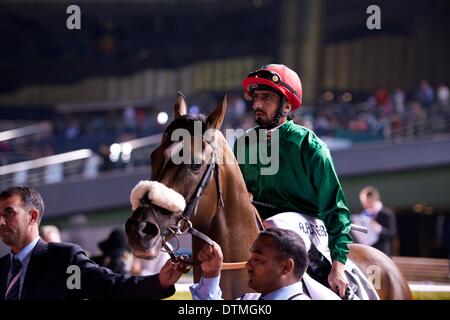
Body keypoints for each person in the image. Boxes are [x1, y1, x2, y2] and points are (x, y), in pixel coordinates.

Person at [233, 64, 353, 297]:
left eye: (266, 97)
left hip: (309, 228)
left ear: (286, 105)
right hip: (259, 231)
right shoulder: (243, 144)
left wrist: (338, 265)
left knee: (275, 224)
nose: (257, 104)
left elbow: (336, 209)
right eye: (256, 97)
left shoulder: (311, 146)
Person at [0, 186, 189, 300]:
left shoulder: (63, 260)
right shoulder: (2, 268)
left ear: (32, 216)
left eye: (9, 213)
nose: (1, 221)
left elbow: (111, 287)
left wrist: (158, 282)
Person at [190, 228, 332, 300]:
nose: (248, 265)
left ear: (285, 267)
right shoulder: (249, 298)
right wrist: (211, 274)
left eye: (257, 259)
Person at [357, 186, 397, 256]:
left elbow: (392, 233)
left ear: (372, 199)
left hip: (383, 254)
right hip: (368, 253)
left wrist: (377, 228)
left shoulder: (387, 213)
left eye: (365, 201)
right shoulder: (364, 214)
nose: (363, 204)